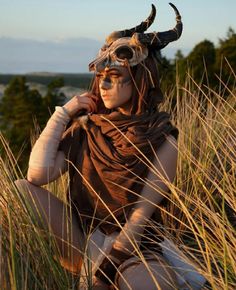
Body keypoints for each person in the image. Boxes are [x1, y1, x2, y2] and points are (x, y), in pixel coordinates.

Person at [15, 3, 187, 289]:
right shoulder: (88, 126)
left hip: (134, 247)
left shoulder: (162, 136)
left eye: (115, 77)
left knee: (149, 285)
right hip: (84, 239)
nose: (104, 85)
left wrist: (103, 275)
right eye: (101, 77)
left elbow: (140, 216)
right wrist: (63, 113)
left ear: (139, 80)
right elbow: (37, 176)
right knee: (20, 189)